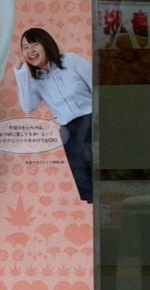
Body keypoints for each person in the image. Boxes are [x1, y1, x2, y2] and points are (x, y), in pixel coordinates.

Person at [13, 28, 93, 203]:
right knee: (91, 188)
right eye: (25, 48)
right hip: (70, 133)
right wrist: (20, 74)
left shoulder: (71, 61)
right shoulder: (36, 82)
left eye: (34, 45)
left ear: (46, 43)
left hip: (93, 121)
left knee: (107, 175)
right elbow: (28, 107)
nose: (30, 51)